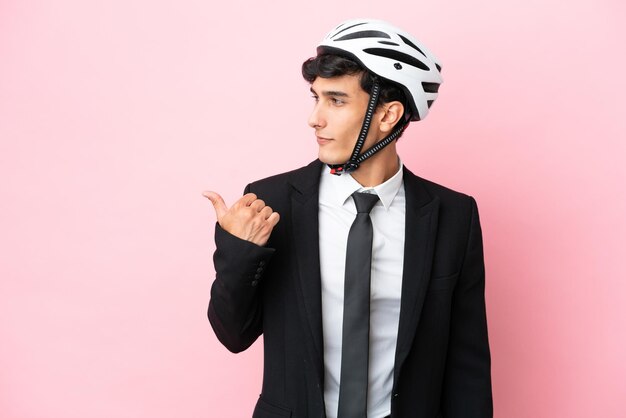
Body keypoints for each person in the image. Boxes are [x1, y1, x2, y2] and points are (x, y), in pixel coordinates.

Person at [204, 18, 492, 418]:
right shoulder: (272, 203)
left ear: (388, 115)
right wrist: (239, 251)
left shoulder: (453, 216)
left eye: (336, 101)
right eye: (315, 98)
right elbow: (233, 335)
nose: (315, 119)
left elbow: (467, 364)